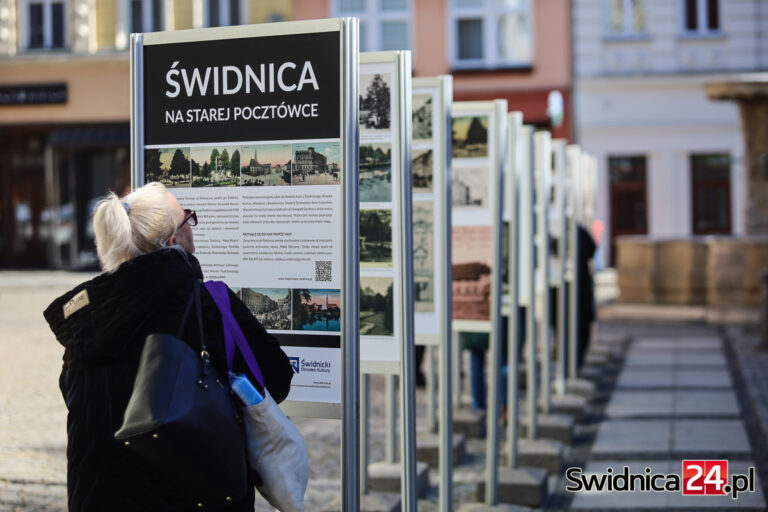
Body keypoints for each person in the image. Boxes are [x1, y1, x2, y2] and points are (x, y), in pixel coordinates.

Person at [43, 182, 294, 511]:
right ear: (173, 239)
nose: (192, 225)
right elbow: (275, 378)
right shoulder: (207, 305)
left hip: (98, 496)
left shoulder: (88, 314)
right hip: (191, 494)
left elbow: (75, 395)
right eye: (186, 218)